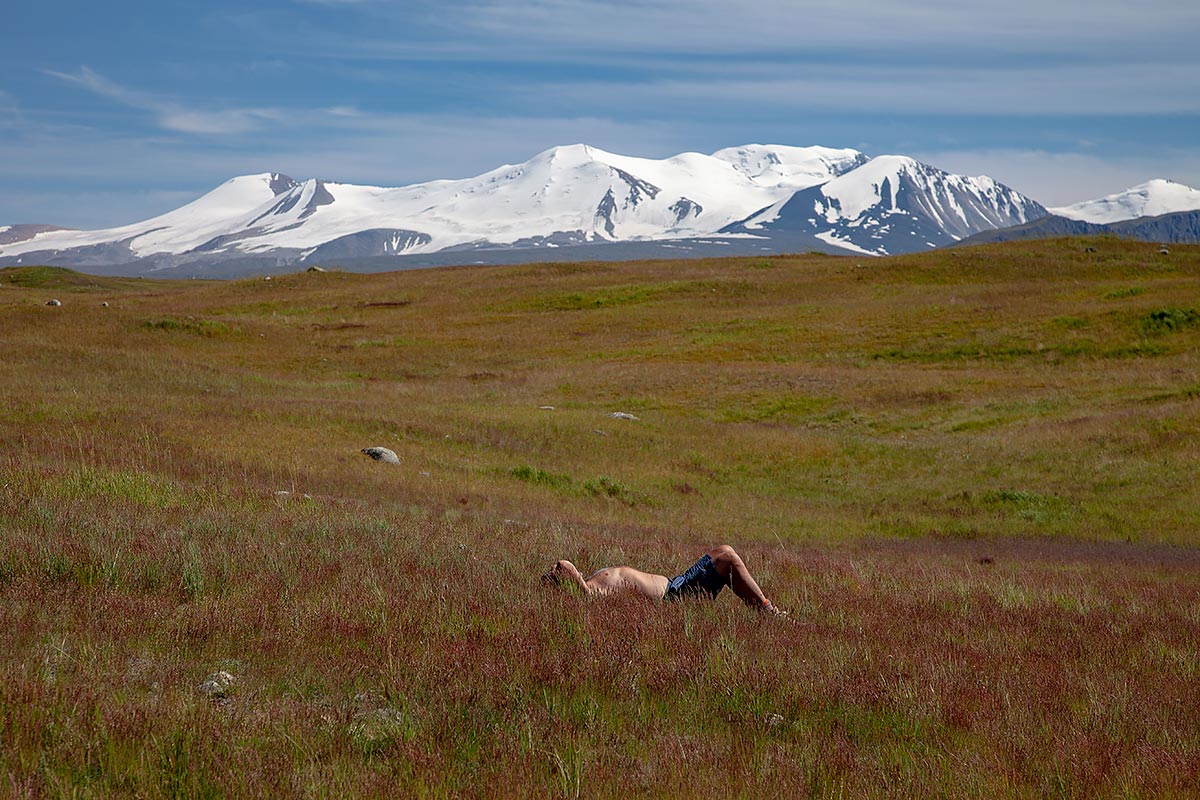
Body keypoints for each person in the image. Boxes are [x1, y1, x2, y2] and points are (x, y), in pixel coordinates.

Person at [542, 544, 786, 615]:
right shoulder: (591, 594)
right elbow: (571, 574)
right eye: (557, 572)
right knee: (728, 559)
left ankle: (763, 609)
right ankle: (767, 612)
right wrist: (564, 572)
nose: (558, 566)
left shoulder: (595, 581)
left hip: (676, 584)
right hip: (675, 598)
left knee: (724, 549)